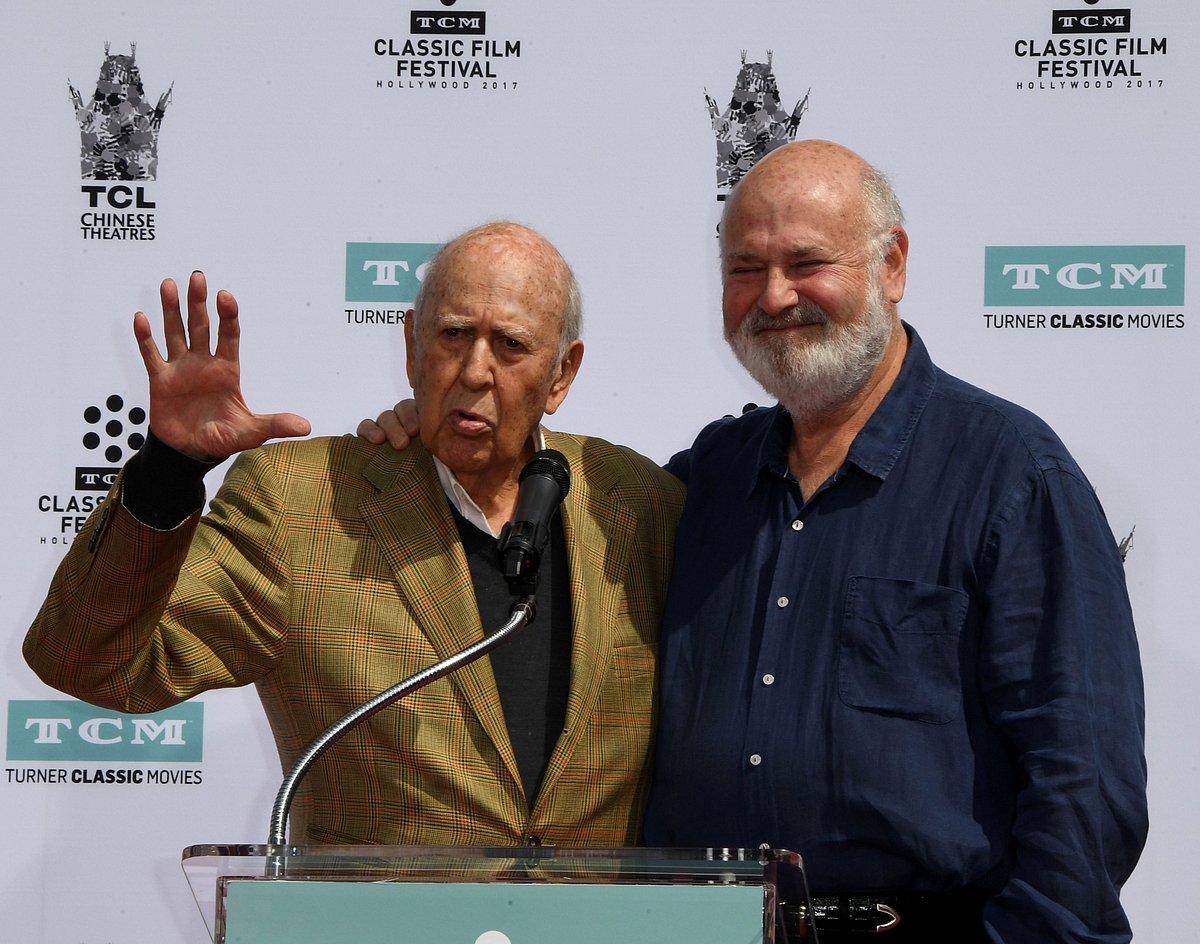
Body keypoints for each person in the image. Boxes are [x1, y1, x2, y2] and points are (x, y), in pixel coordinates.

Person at [359, 143, 1148, 941]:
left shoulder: (1010, 478)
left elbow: (1084, 788)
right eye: (745, 269)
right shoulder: (704, 481)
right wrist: (437, 436)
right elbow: (522, 508)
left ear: (892, 265)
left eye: (806, 263)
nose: (774, 296)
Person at [24, 222, 685, 848]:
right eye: (453, 335)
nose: (475, 371)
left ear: (562, 374)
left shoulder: (638, 506)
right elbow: (87, 661)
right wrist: (169, 469)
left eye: (510, 345)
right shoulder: (303, 504)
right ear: (411, 347)